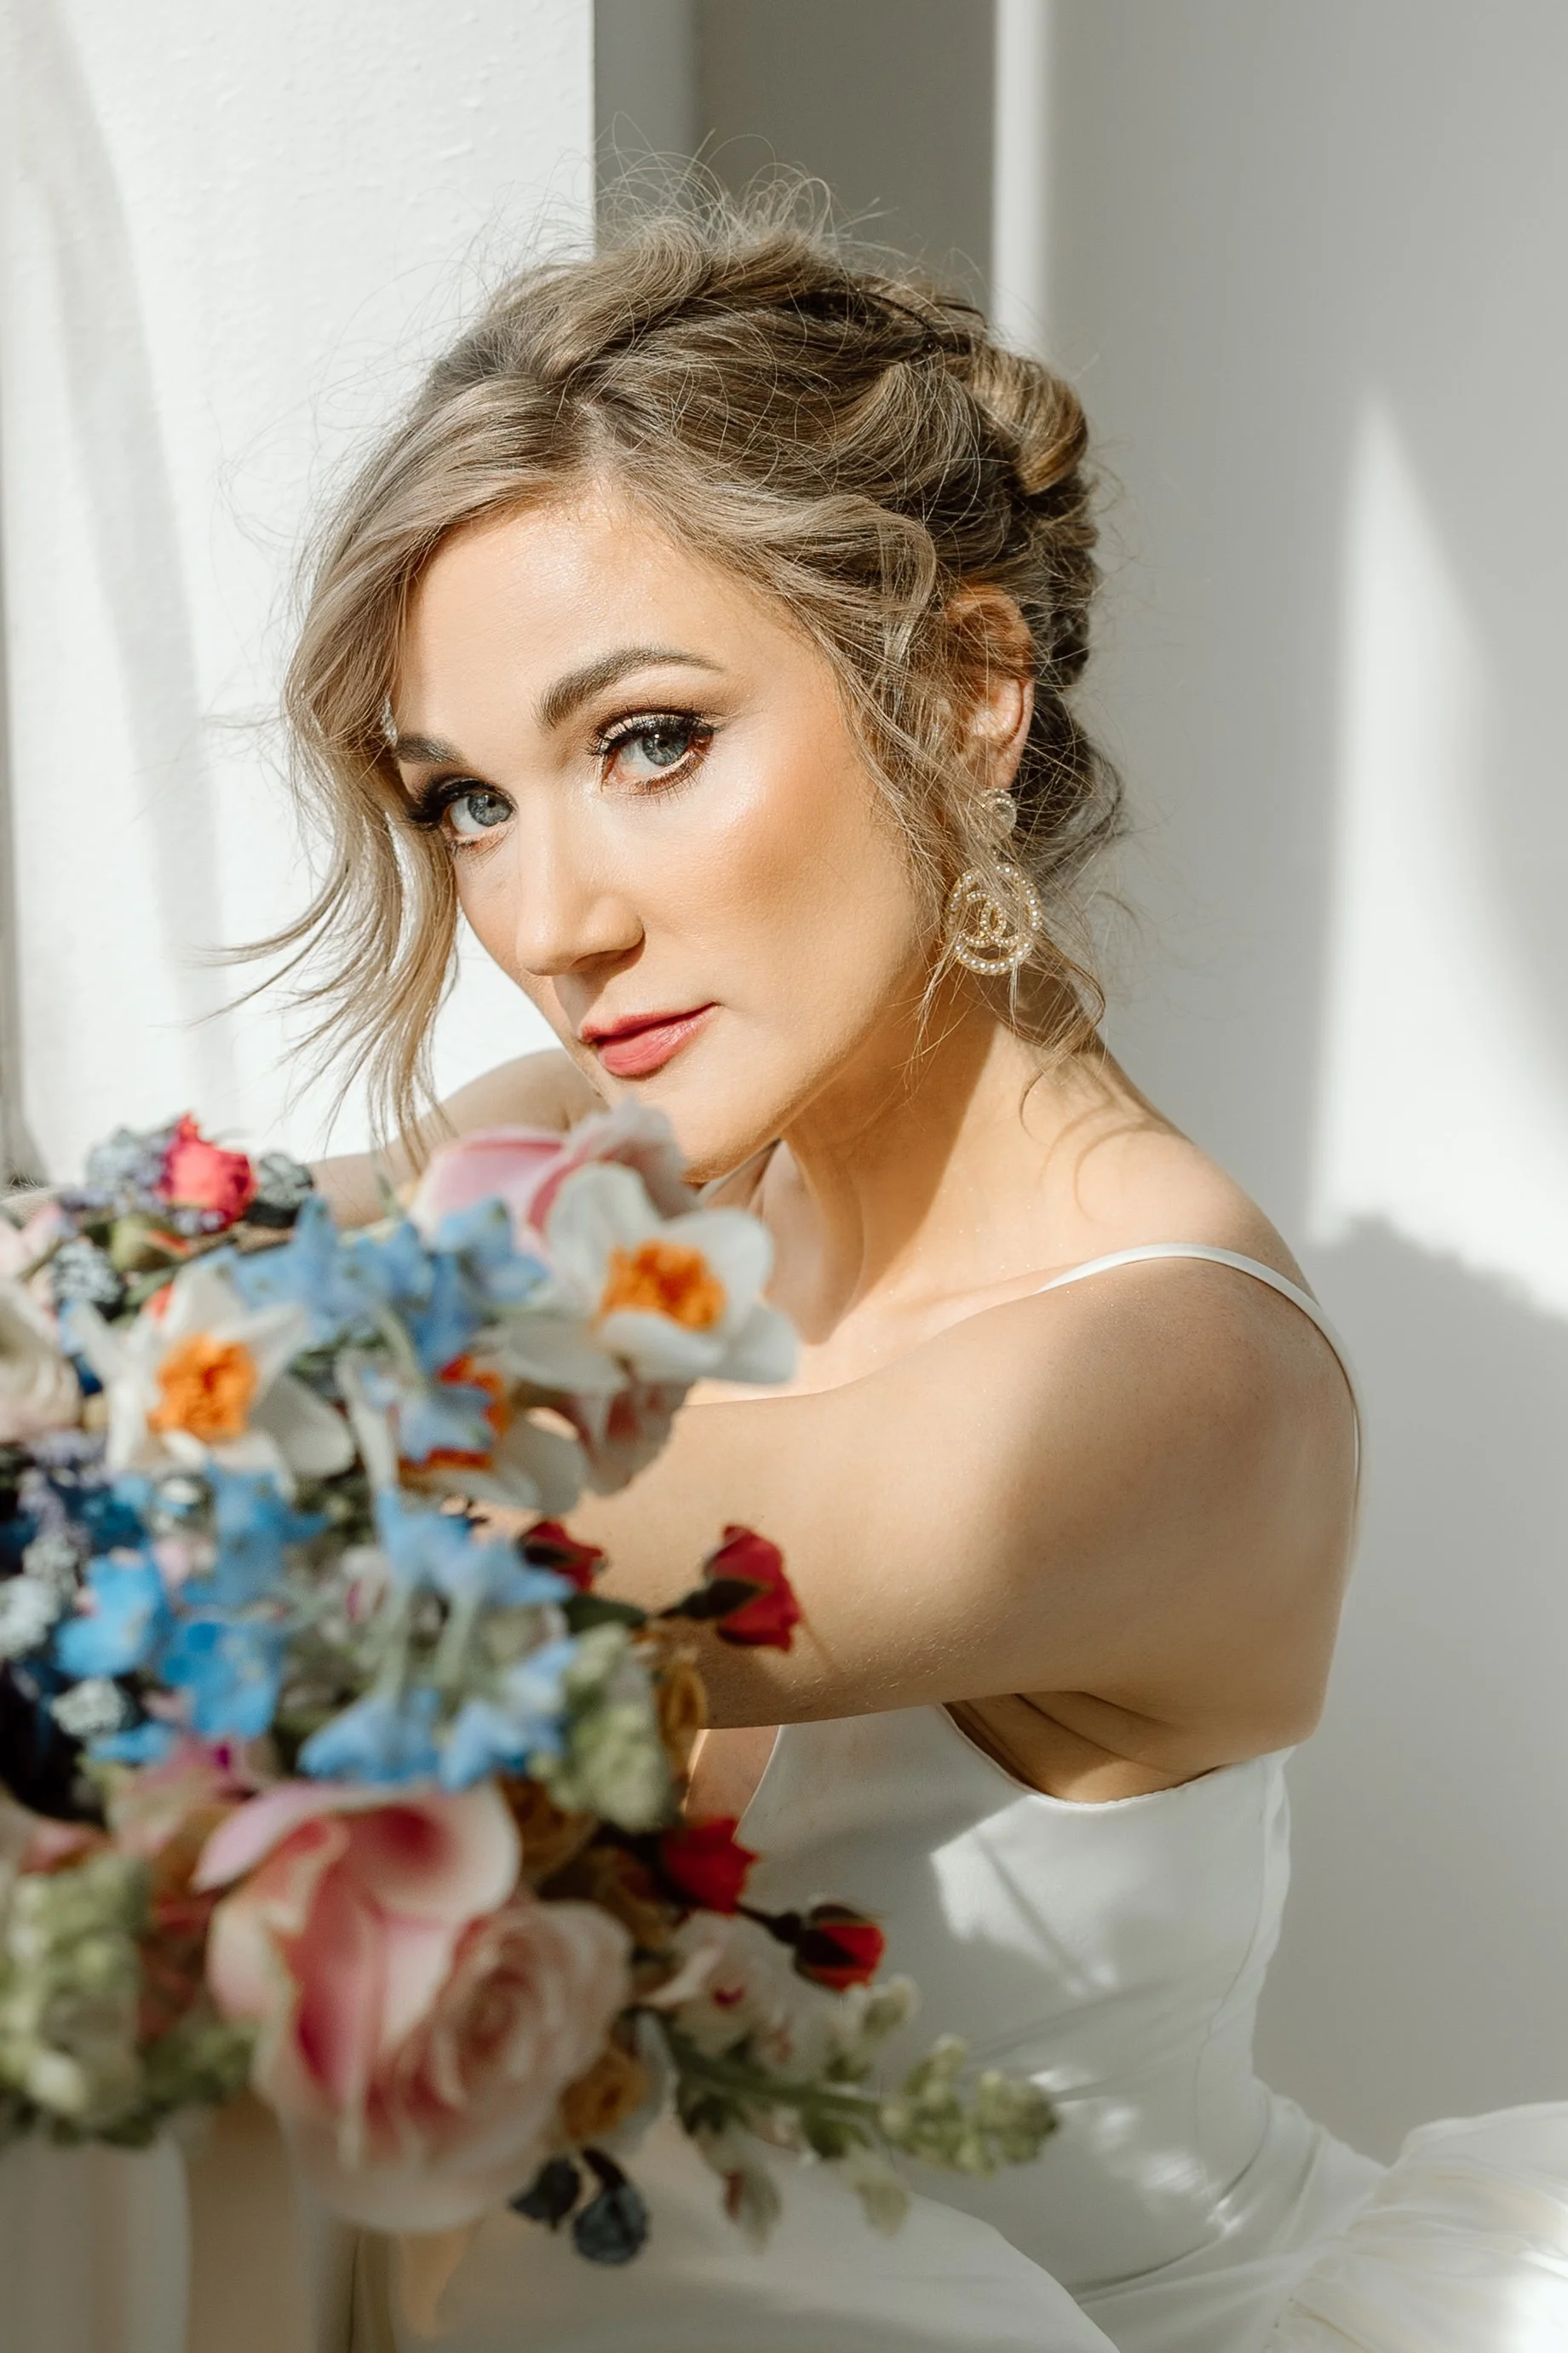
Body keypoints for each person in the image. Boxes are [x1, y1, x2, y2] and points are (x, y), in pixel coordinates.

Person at [275, 191, 1568, 2351]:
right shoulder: (591, 1154)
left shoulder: (1167, 1380)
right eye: (466, 801)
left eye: (649, 740)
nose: (549, 915)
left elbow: (391, 1544)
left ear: (964, 682)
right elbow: (161, 1289)